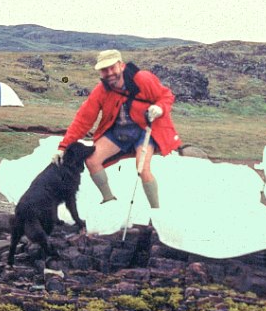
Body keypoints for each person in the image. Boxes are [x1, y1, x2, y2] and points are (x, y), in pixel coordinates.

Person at [52, 49, 181, 208]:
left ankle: (156, 210)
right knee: (92, 160)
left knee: (142, 169)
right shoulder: (100, 91)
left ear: (121, 65)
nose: (110, 73)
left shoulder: (143, 79)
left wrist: (160, 108)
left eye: (112, 67)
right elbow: (83, 120)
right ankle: (109, 201)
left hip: (143, 130)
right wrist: (63, 146)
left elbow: (166, 96)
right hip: (119, 133)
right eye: (105, 70)